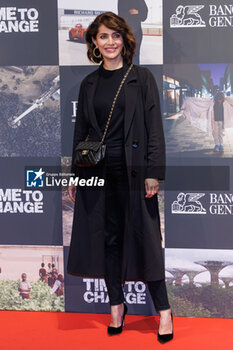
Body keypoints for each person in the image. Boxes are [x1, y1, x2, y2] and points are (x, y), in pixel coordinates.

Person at [67, 12, 173, 344]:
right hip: (98, 173)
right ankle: (117, 306)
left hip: (135, 172)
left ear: (124, 39)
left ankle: (165, 312)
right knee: (108, 241)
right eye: (102, 37)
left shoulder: (142, 78)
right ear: (94, 43)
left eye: (115, 35)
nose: (110, 42)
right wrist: (77, 176)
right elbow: (82, 133)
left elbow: (154, 131)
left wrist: (153, 172)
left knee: (147, 242)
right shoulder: (89, 84)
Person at [118, 0, 148, 65]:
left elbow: (144, 16)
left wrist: (137, 12)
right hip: (125, 32)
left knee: (135, 57)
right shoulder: (121, 1)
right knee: (125, 56)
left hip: (137, 32)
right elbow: (120, 15)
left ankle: (135, 74)